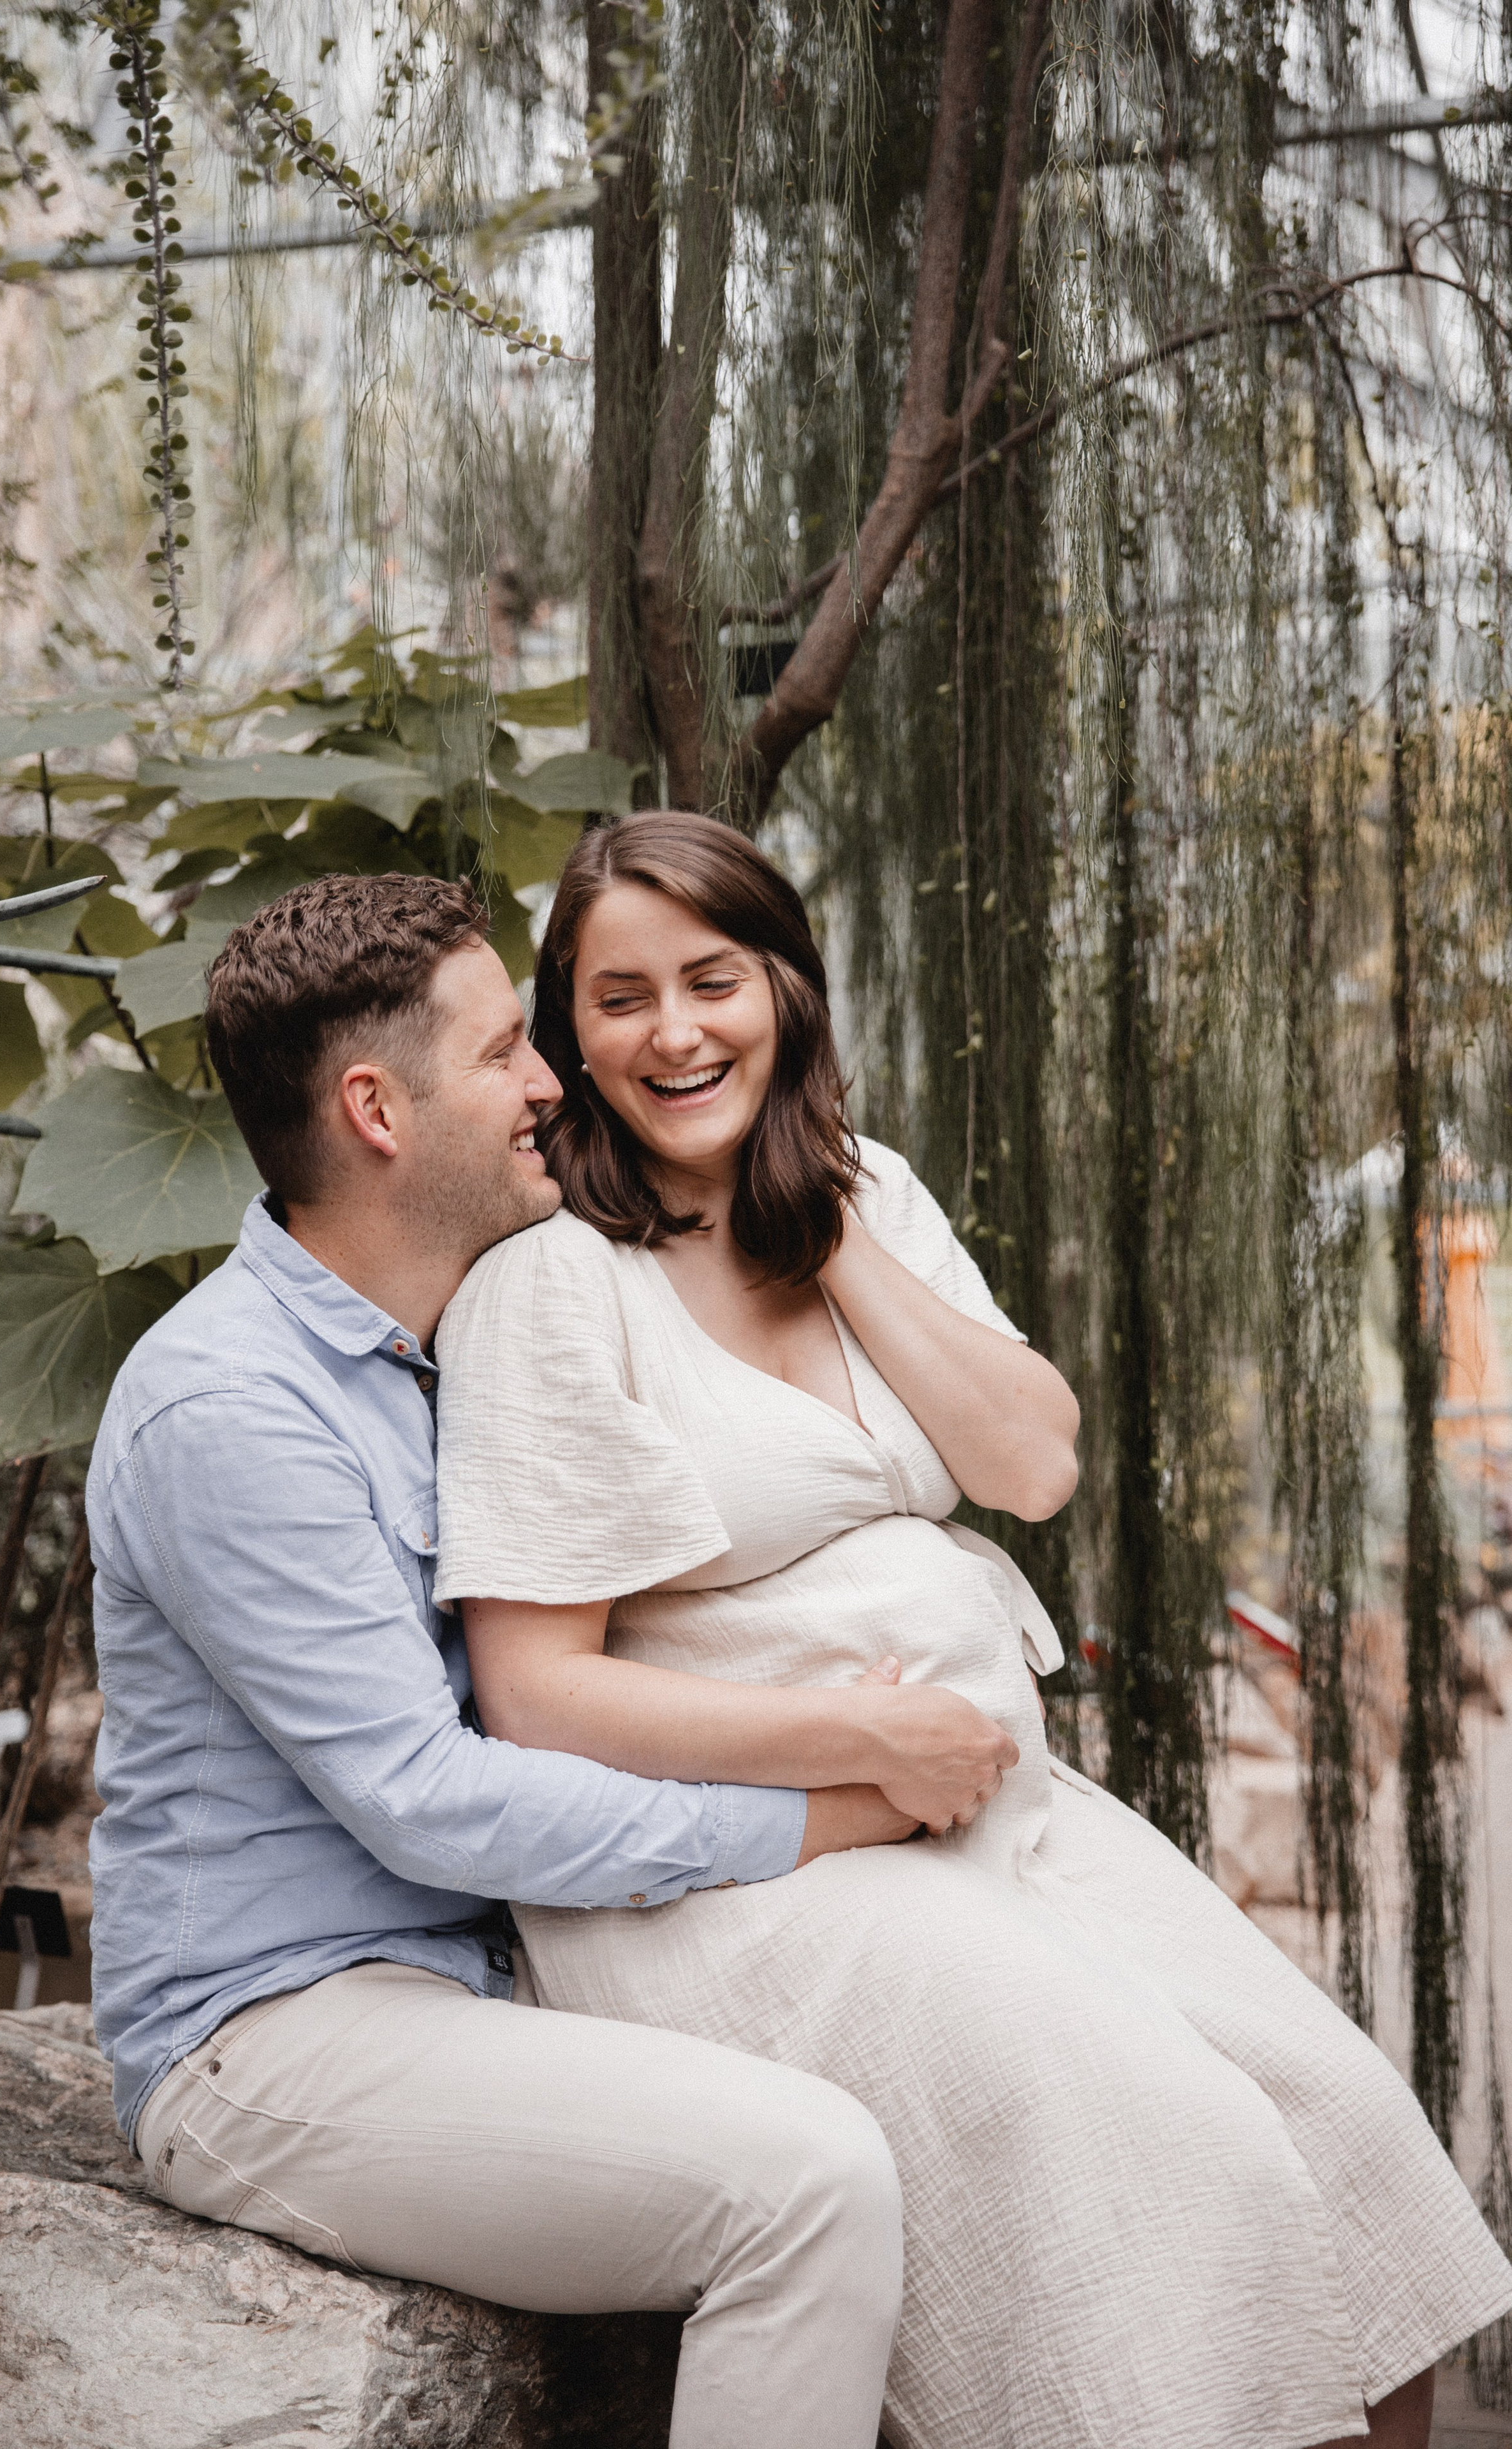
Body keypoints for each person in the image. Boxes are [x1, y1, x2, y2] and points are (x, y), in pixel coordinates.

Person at [435, 810, 1512, 2449]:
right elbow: (530, 1691)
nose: (672, 1034)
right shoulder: (553, 1286)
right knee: (1182, 2171)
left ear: (785, 990)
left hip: (980, 1807)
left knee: (1346, 2132)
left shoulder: (869, 1198)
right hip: (754, 1869)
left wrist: (824, 1217)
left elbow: (1027, 1460)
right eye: (617, 998)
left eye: (713, 982)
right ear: (568, 1034)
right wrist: (852, 1738)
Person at [85, 869, 1014, 2449]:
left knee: (952, 2057)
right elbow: (428, 1802)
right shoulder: (231, 1409)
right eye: (506, 1049)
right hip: (278, 2032)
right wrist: (836, 1795)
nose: (548, 1083)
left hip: (495, 1975)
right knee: (804, 2184)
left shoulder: (439, 1343)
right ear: (377, 1110)